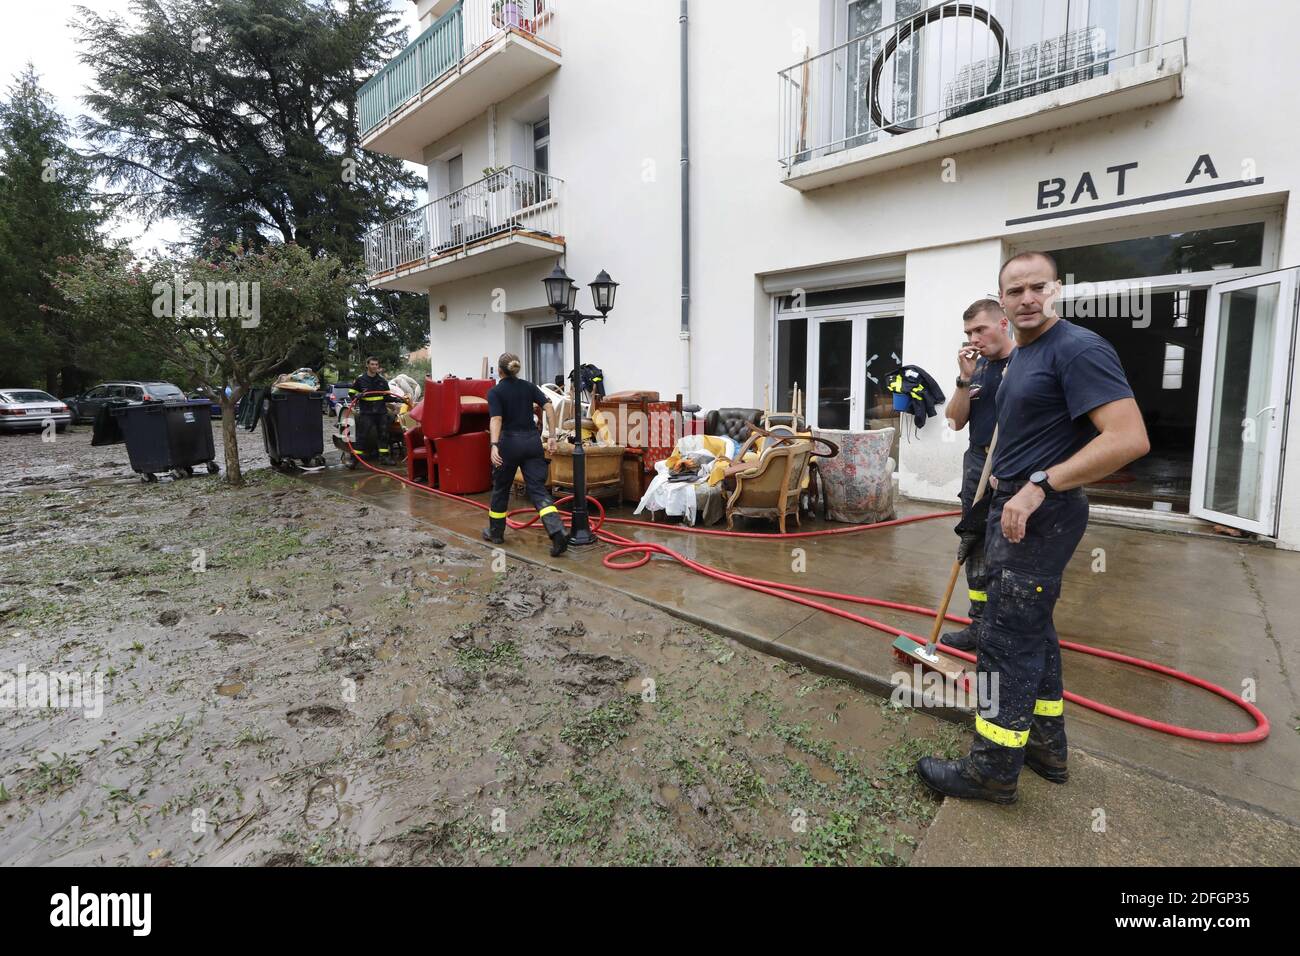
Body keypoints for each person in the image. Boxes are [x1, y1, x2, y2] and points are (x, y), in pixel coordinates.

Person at [917, 251, 1150, 804]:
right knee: (1033, 632)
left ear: (1057, 290)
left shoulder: (1077, 349)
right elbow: (998, 430)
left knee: (1004, 641)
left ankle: (992, 770)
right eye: (1014, 291)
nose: (1026, 299)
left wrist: (1040, 483)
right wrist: (998, 489)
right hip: (1009, 507)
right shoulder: (1020, 356)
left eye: (1036, 288)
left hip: (1039, 517)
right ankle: (1046, 747)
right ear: (1003, 301)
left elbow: (1127, 439)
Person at [940, 298, 1015, 652]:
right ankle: (979, 624)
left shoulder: (1026, 365)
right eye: (968, 332)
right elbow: (954, 422)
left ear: (1004, 324)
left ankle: (1007, 629)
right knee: (974, 547)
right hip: (976, 464)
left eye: (980, 329)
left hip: (1013, 469)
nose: (974, 338)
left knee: (1011, 551)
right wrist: (963, 380)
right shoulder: (978, 369)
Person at [483, 353, 569, 557]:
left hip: (509, 443)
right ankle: (557, 532)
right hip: (532, 442)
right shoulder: (529, 386)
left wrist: (494, 445)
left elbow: (496, 420)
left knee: (501, 488)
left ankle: (496, 533)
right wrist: (552, 436)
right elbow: (549, 406)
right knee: (538, 490)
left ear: (501, 370)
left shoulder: (495, 392)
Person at [349, 356, 395, 465]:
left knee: (383, 435)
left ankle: (384, 458)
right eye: (372, 364)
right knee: (362, 436)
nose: (374, 366)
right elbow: (351, 393)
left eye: (376, 364)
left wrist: (396, 399)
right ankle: (354, 460)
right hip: (367, 413)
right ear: (367, 365)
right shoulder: (360, 380)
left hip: (381, 412)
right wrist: (357, 395)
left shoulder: (382, 381)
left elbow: (386, 397)